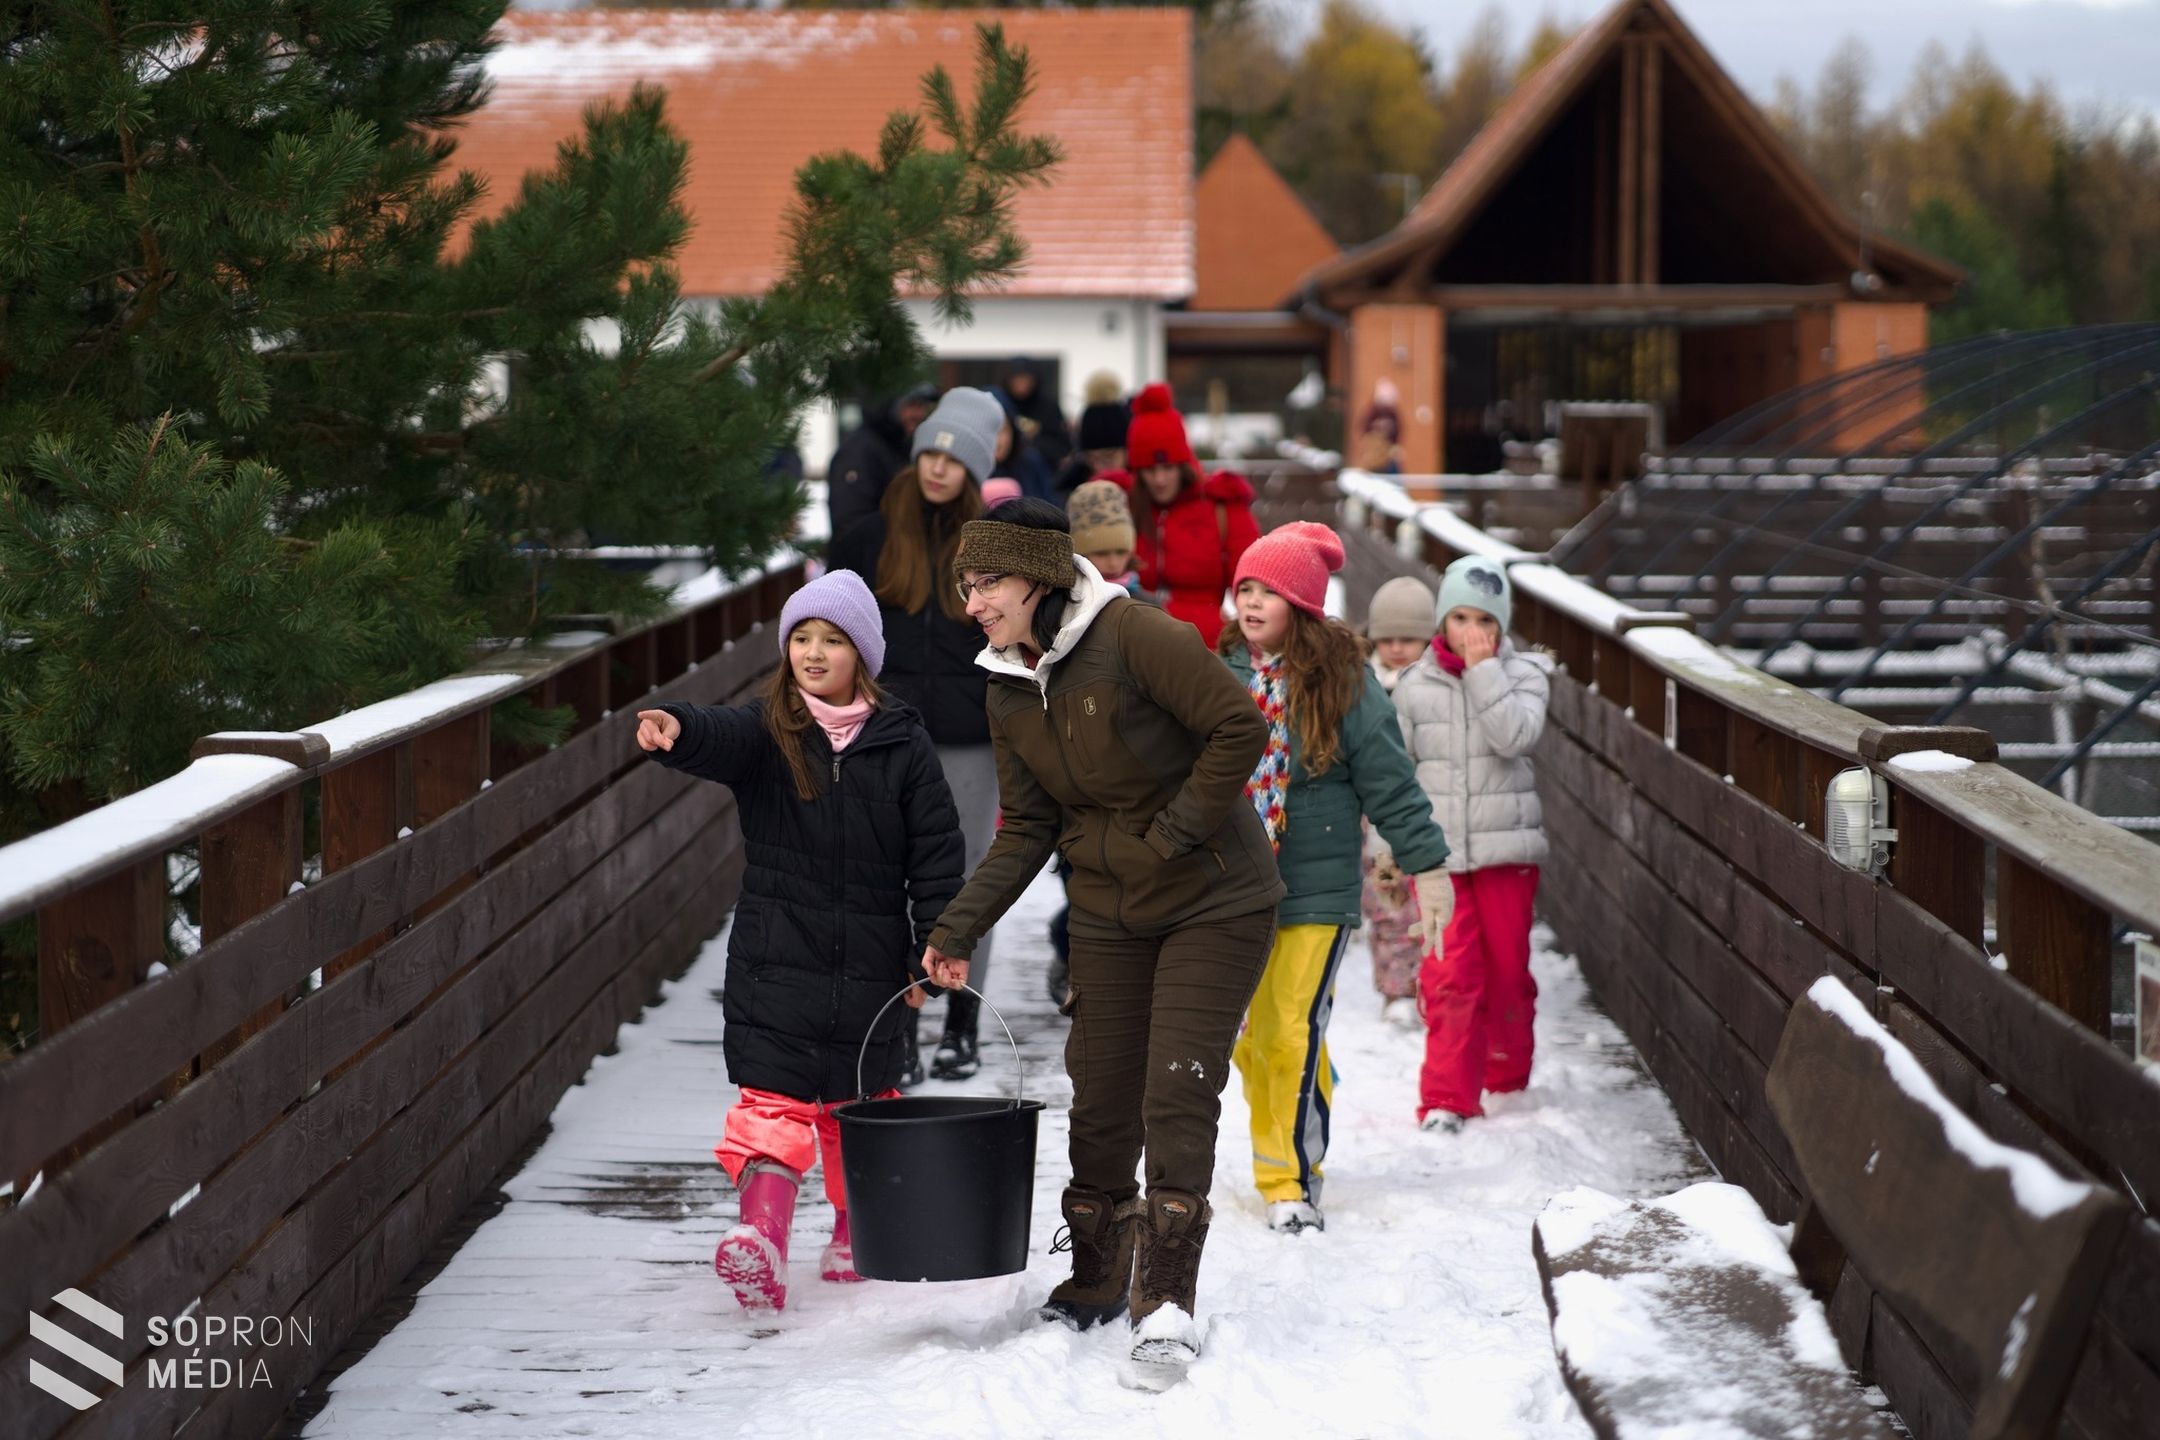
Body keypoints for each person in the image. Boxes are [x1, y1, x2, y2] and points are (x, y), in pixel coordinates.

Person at [917, 499, 1282, 1389]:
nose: (975, 600)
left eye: (989, 581)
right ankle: (1094, 1279)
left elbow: (1241, 726)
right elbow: (1027, 824)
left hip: (1213, 896)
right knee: (1102, 1093)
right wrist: (957, 929)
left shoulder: (1133, 636)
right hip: (1112, 909)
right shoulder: (1006, 682)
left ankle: (1166, 1305)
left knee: (1176, 1090)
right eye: (966, 583)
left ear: (1039, 576)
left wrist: (1173, 836)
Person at [632, 570, 963, 1310]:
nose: (814, 653)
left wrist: (930, 947)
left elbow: (936, 853)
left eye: (833, 640)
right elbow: (718, 736)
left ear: (863, 656)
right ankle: (763, 1240)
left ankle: (855, 1230)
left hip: (874, 969)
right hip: (776, 958)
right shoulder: (768, 731)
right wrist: (679, 728)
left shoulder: (904, 744)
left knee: (857, 1109)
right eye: (802, 639)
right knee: (772, 1106)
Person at [1217, 526, 1452, 1234]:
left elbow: (1391, 783)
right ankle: (1300, 1124)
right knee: (1253, 1038)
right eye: (1245, 589)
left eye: (1270, 592)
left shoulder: (1344, 684)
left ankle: (1287, 1181)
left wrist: (1428, 870)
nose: (1252, 603)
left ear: (1303, 604)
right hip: (1232, 888)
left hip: (1314, 892)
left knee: (1290, 1028)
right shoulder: (1222, 669)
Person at [828, 387, 1007, 1083]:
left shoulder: (992, 543)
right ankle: (899, 1024)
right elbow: (834, 630)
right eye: (931, 450)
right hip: (885, 734)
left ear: (974, 469)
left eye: (954, 457)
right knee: (887, 881)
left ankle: (961, 1021)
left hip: (969, 736)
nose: (938, 466)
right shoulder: (868, 537)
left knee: (967, 883)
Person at [1394, 556, 1554, 1135]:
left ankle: (1506, 1074)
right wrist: (1395, 850)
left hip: (1505, 853)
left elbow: (1515, 736)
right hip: (1438, 860)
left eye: (1482, 619)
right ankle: (1448, 1096)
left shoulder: (1527, 675)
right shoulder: (1414, 686)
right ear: (1441, 621)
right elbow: (1397, 771)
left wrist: (1486, 671)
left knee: (1507, 969)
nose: (1469, 632)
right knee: (1449, 975)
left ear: (1501, 625)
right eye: (1457, 617)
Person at [1043, 479, 1155, 1009]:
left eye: (1119, 550)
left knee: (1128, 886)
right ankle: (1074, 962)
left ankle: (1118, 980)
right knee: (1081, 883)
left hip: (1135, 776)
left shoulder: (1148, 609)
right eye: (1099, 552)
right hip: (1075, 782)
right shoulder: (1060, 615)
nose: (1112, 563)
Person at [1113, 384, 1260, 647]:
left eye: (1168, 467)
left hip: (1207, 648)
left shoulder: (1222, 506)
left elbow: (1253, 580)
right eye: (1149, 469)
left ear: (1183, 463)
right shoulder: (1123, 506)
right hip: (1134, 646)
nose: (1159, 479)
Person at [1360, 577, 1440, 1028]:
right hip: (1374, 816)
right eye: (1386, 639)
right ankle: (1395, 989)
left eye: (1407, 639)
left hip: (1423, 808)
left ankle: (1425, 984)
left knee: (1421, 904)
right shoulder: (1365, 681)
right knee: (1385, 904)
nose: (1395, 648)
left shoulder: (1437, 684)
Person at [826, 384, 940, 542]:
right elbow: (851, 526)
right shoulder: (859, 451)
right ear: (889, 404)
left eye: (923, 406)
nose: (918, 414)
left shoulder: (903, 446)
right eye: (911, 405)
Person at [1058, 371, 1130, 496]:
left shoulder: (1145, 492)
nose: (1100, 469)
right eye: (1092, 459)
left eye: (1109, 457)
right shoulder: (1071, 490)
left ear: (1128, 452)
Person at [1002, 357, 1073, 473]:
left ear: (1034, 380)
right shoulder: (1003, 405)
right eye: (1017, 379)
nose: (1021, 384)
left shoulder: (1048, 407)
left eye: (1025, 379)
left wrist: (1032, 445)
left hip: (1044, 471)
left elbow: (1062, 445)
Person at [990, 387, 1059, 502]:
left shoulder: (1030, 463)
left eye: (1002, 429)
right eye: (990, 430)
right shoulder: (965, 472)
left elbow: (1051, 506)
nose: (997, 439)